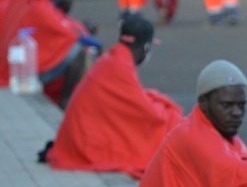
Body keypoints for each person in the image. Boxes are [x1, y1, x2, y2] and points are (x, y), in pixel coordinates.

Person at [44, 16, 181, 178]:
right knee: (171, 121)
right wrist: (167, 110)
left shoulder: (113, 59)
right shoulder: (120, 66)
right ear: (145, 47)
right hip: (85, 144)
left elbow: (131, 101)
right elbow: (149, 115)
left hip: (81, 137)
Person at [0, 0, 100, 108]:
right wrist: (91, 39)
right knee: (79, 52)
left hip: (10, 68)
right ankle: (65, 101)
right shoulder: (38, 5)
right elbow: (68, 35)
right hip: (17, 75)